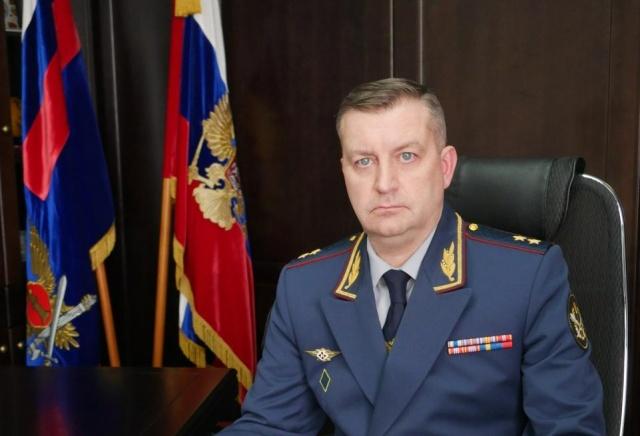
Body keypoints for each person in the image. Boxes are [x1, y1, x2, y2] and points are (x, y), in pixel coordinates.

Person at [221, 78, 605, 435]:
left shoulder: (526, 277)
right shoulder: (305, 285)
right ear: (344, 172)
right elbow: (270, 427)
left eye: (406, 156)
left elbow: (570, 428)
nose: (384, 184)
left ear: (445, 167)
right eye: (364, 161)